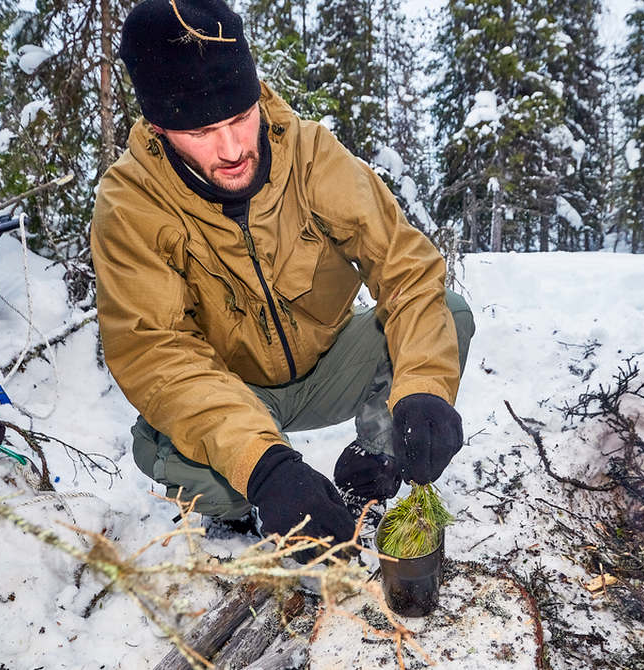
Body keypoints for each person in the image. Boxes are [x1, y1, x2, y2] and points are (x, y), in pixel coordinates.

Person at [90, 0, 474, 551]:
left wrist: (423, 391)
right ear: (159, 127)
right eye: (201, 131)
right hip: (235, 389)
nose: (230, 150)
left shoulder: (310, 153)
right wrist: (266, 467)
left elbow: (405, 268)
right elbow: (156, 353)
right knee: (174, 456)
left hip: (330, 364)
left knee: (447, 318)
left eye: (239, 118)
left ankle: (371, 462)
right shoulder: (130, 206)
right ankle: (249, 504)